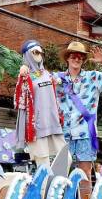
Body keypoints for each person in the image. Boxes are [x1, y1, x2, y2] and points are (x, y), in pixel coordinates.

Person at [54, 41, 102, 199]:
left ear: (83, 60)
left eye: (80, 57)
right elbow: (37, 81)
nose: (76, 59)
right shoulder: (57, 79)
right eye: (73, 56)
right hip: (64, 133)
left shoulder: (93, 77)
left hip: (86, 132)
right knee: (61, 172)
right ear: (67, 59)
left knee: (85, 172)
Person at [15, 39, 66, 167]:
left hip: (54, 122)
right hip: (36, 126)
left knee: (66, 158)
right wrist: (22, 73)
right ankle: (44, 187)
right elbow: (19, 100)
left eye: (40, 52)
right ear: (27, 55)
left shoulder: (47, 74)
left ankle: (57, 184)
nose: (38, 55)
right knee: (43, 164)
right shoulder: (25, 76)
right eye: (35, 52)